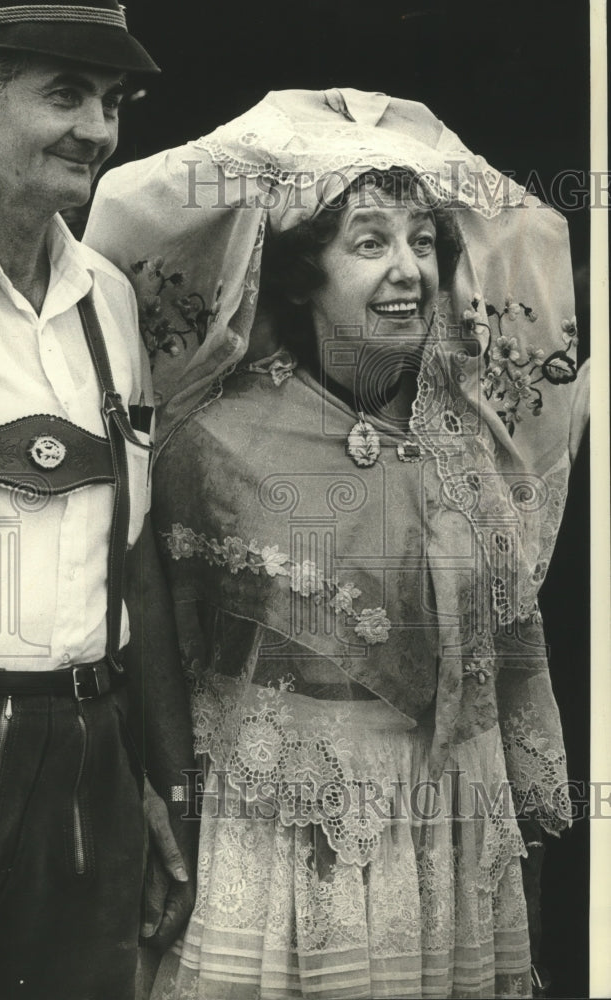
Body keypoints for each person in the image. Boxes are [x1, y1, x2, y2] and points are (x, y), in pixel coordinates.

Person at [85, 89, 589, 999]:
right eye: (369, 242)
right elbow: (159, 652)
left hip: (448, 845)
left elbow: (510, 671)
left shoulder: (474, 448)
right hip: (284, 859)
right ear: (295, 276)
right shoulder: (213, 449)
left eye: (423, 241)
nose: (410, 271)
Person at [0, 3, 196, 998]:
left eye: (112, 100)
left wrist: (170, 780)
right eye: (64, 92)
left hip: (90, 747)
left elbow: (136, 554)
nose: (98, 129)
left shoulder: (108, 299)